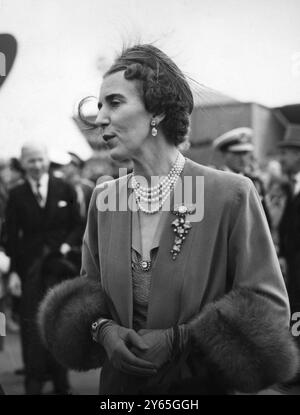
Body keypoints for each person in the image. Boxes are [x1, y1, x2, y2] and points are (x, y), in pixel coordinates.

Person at [39, 44, 298, 395]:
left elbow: (268, 310)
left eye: (114, 103)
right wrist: (104, 330)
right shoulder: (106, 197)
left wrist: (182, 339)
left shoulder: (228, 193)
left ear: (157, 112)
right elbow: (89, 292)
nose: (100, 118)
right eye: (100, 105)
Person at [5, 142, 82, 394]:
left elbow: (78, 226)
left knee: (59, 322)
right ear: (23, 163)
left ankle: (62, 382)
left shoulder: (65, 188)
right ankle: (34, 381)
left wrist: (65, 246)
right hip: (29, 270)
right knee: (30, 325)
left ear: (47, 160)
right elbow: (11, 237)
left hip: (60, 269)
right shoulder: (16, 195)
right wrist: (15, 272)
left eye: (40, 160)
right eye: (31, 161)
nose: (36, 165)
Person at [213, 128, 271, 224]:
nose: (243, 159)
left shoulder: (256, 182)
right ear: (224, 154)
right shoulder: (215, 182)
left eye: (245, 153)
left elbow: (265, 219)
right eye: (237, 153)